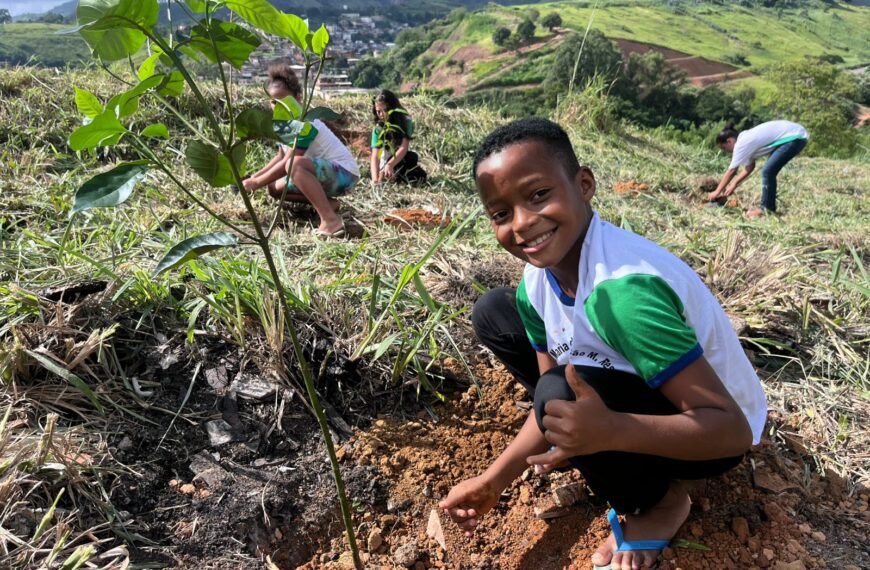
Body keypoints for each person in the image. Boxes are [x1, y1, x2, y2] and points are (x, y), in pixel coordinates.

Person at [439, 118, 767, 570]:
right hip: (633, 390)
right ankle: (605, 438)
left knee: (560, 393)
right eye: (500, 213)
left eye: (539, 195)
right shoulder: (535, 284)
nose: (522, 223)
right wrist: (495, 480)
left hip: (711, 435)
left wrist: (613, 431)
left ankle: (660, 503)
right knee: (494, 313)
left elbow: (733, 433)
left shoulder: (624, 295)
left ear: (584, 184)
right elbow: (549, 396)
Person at [244, 63, 359, 238]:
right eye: (274, 102)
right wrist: (254, 178)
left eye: (284, 101)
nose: (279, 107)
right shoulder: (284, 126)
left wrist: (255, 184)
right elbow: (280, 156)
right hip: (323, 175)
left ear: (298, 98)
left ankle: (330, 220)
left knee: (295, 165)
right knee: (274, 187)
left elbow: (288, 162)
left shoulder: (305, 123)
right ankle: (328, 204)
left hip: (345, 175)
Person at [708, 120, 808, 219]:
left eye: (724, 148)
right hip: (796, 135)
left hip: (795, 137)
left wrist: (717, 192)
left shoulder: (741, 144)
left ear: (729, 141)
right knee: (768, 171)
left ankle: (766, 209)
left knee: (767, 171)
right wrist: (734, 184)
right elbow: (750, 167)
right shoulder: (745, 142)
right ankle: (768, 207)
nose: (726, 151)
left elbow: (732, 171)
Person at [370, 90, 427, 185]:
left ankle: (397, 177)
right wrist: (375, 180)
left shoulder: (405, 122)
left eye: (385, 110)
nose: (381, 114)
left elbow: (403, 147)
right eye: (378, 111)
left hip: (398, 159)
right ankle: (390, 177)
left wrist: (390, 165)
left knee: (413, 160)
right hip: (385, 162)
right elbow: (376, 156)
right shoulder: (378, 129)